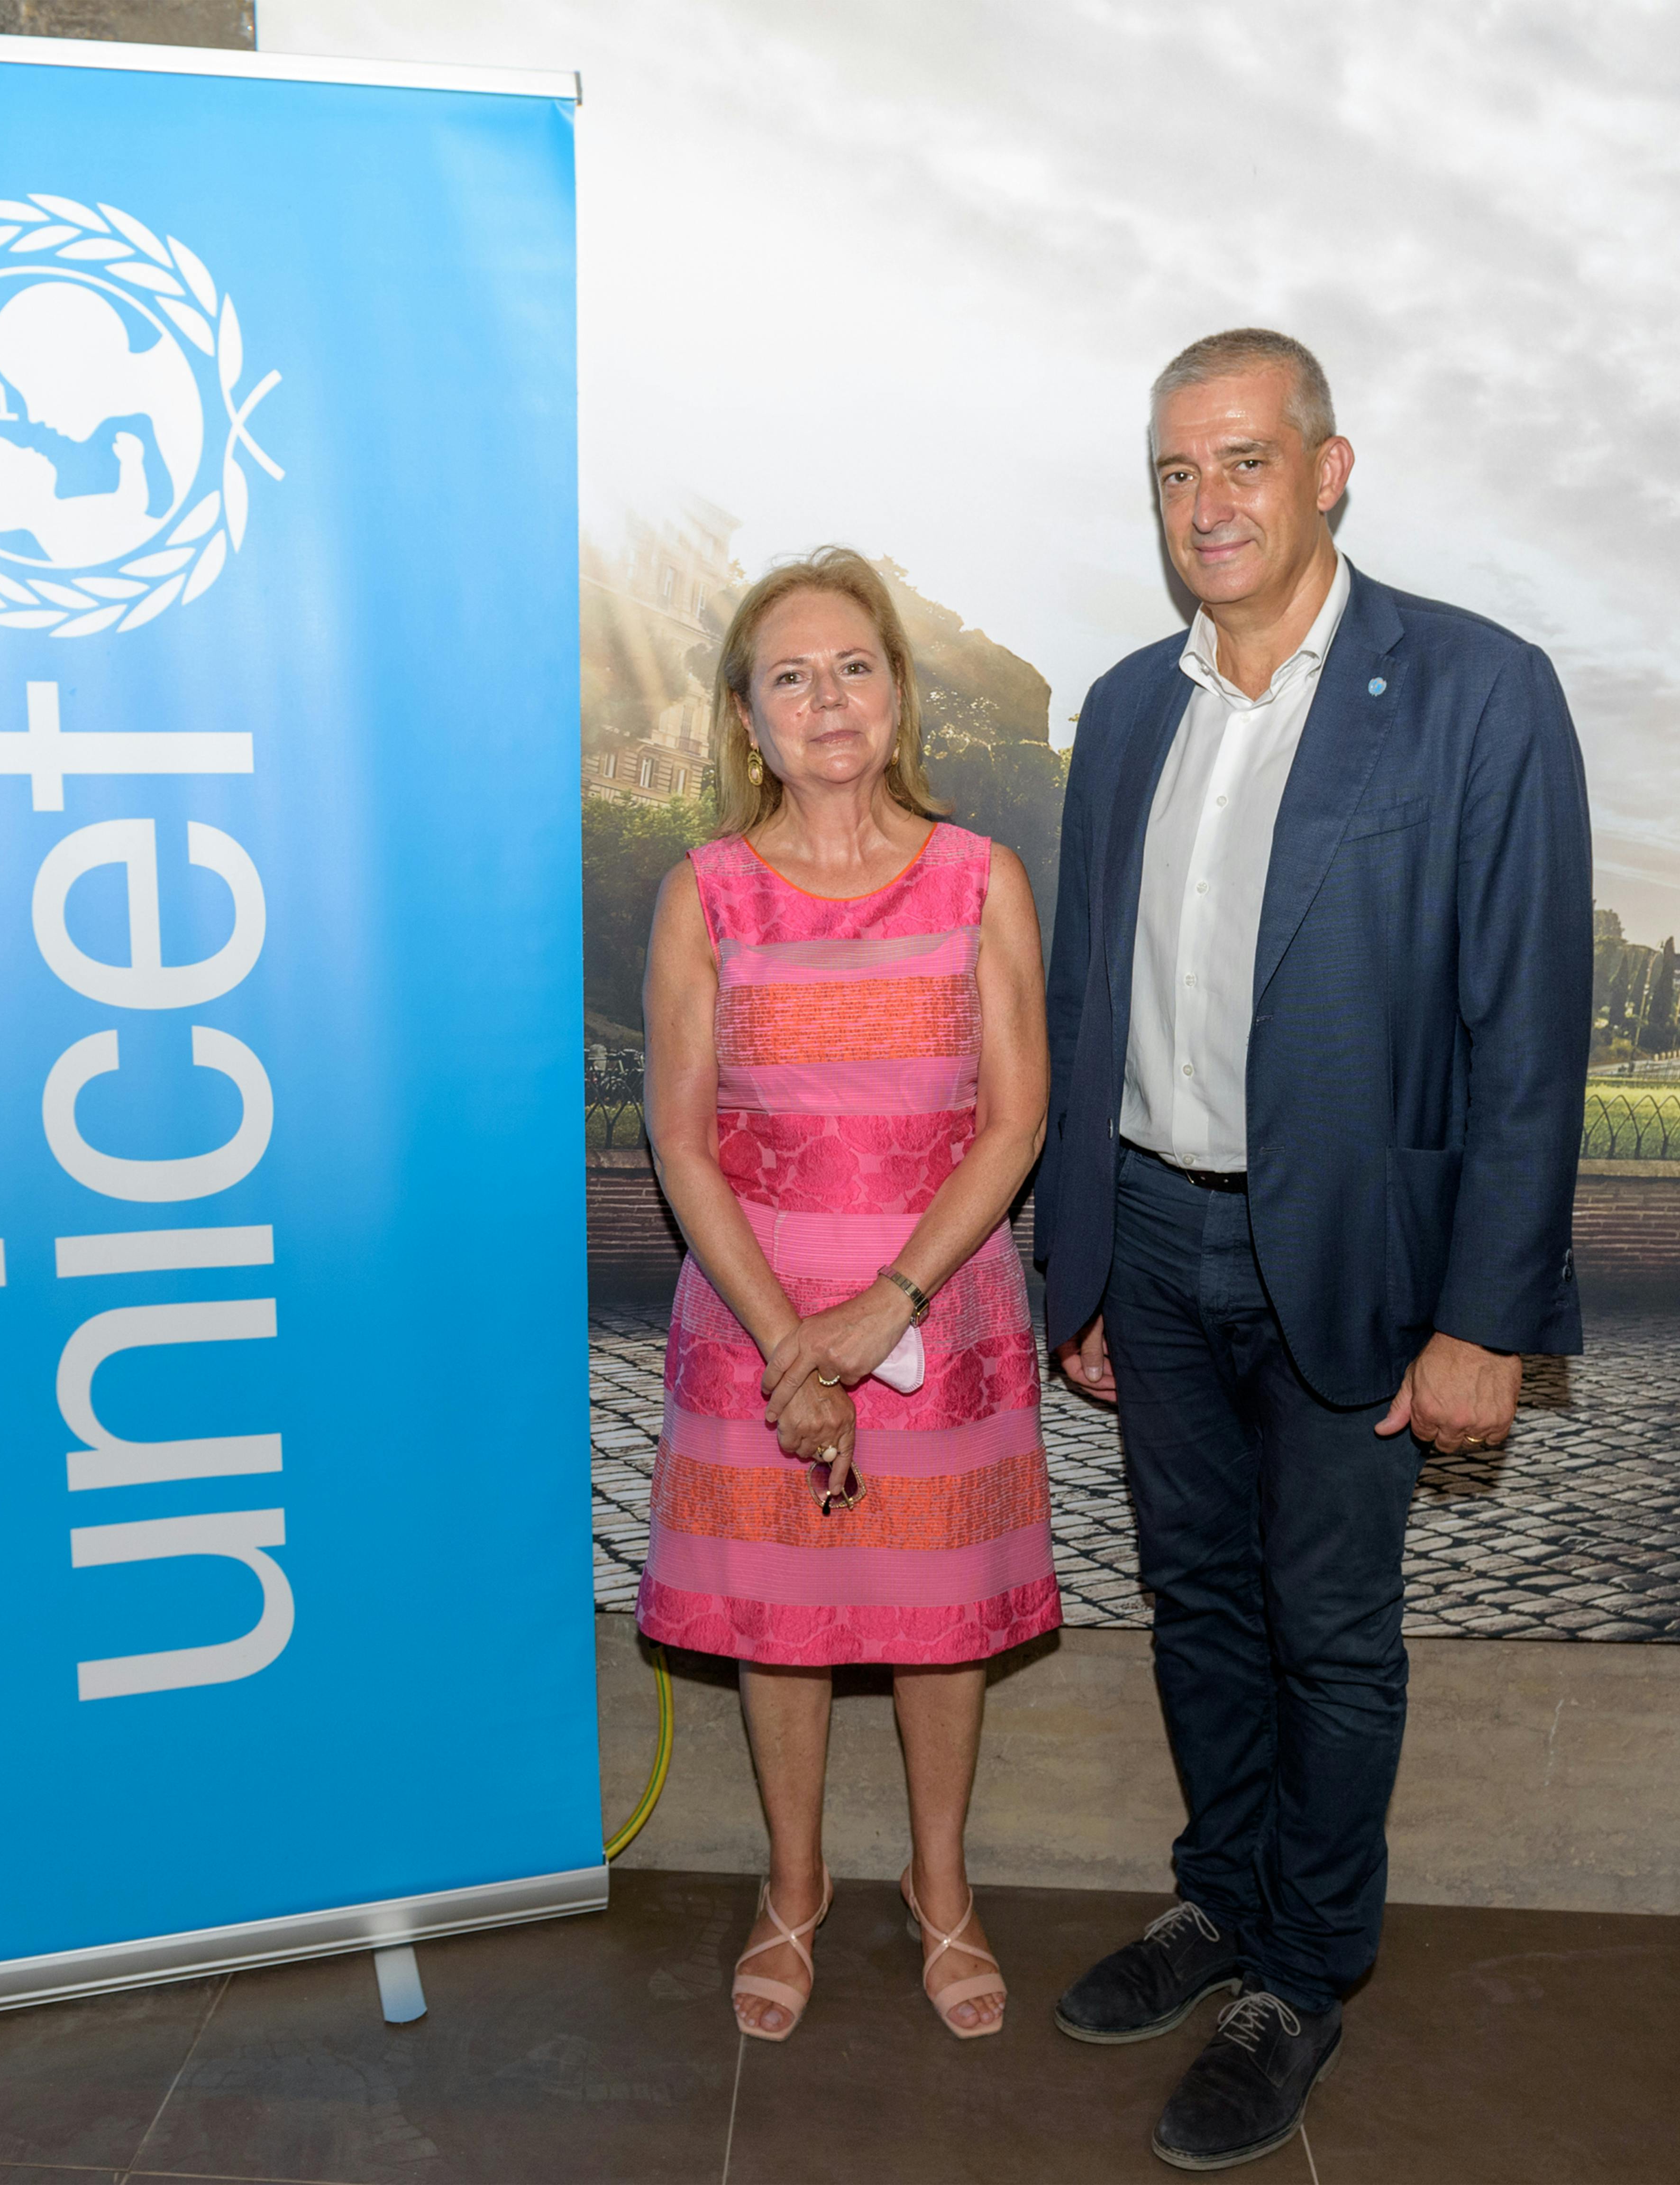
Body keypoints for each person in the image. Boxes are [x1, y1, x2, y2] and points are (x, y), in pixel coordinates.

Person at [1038, 332, 1589, 2172]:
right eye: (1176, 472)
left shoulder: (1473, 691)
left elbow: (1527, 1033)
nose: (1207, 503)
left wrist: (1482, 1320)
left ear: (1327, 468)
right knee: (1199, 1604)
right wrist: (1086, 1258)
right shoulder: (1123, 708)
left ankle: (1299, 1975)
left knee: (1330, 1637)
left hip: (1354, 1270)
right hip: (1157, 1243)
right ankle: (1218, 1897)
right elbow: (1081, 991)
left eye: (1243, 463)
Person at [633, 548, 1059, 2046]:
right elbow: (680, 1139)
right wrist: (788, 1345)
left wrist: (886, 1303)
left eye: (855, 667)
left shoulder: (981, 878)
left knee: (940, 1623)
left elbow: (1016, 1121)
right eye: (791, 676)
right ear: (749, 717)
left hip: (937, 1316)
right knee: (784, 1624)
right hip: (756, 1315)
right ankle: (792, 1892)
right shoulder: (709, 893)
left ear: (897, 693)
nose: (828, 700)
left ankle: (943, 1890)